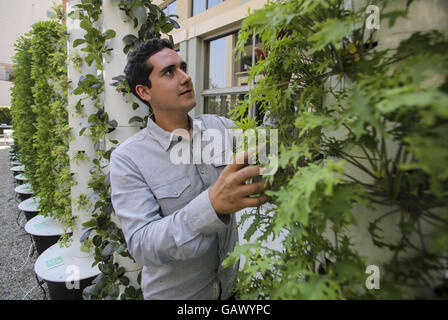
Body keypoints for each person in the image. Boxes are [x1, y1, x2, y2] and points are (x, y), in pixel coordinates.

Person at [109, 38, 269, 300]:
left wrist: (276, 83)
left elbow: (267, 147)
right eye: (169, 72)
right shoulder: (128, 159)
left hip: (231, 291)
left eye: (183, 67)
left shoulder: (220, 128)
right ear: (144, 92)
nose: (185, 78)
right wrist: (211, 207)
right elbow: (141, 244)